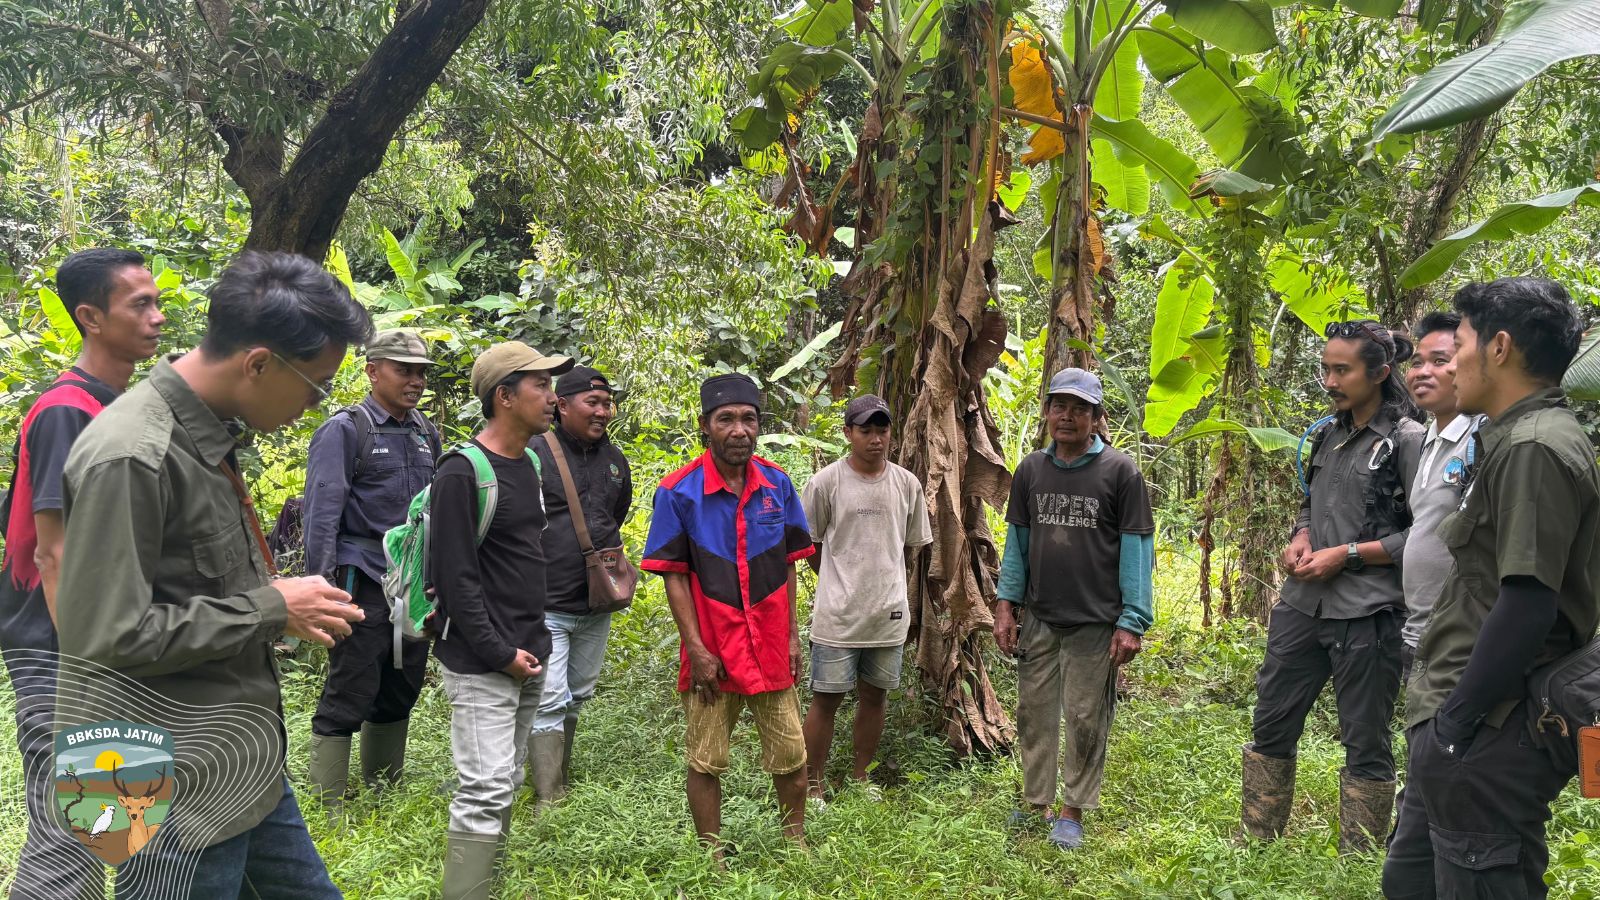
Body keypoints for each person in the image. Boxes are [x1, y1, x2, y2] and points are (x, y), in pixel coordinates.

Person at [55, 250, 372, 896]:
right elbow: (102, 637)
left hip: (238, 760)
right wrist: (271, 607)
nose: (315, 407)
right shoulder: (132, 456)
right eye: (316, 385)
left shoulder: (204, 433)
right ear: (258, 363)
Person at [1384, 279, 1597, 899]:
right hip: (1460, 715)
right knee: (1413, 878)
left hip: (1490, 724)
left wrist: (1457, 722)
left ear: (1499, 348)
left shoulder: (1534, 447)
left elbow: (1530, 602)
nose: (1451, 364)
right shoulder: (1507, 438)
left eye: (1462, 345)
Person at [0, 248, 164, 900]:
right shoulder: (69, 410)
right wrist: (88, 668)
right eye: (139, 305)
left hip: (104, 644)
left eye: (157, 302)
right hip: (61, 650)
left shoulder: (117, 406)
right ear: (91, 317)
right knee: (72, 826)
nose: (157, 317)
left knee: (117, 818)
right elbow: (54, 552)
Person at [1240, 320, 1424, 854]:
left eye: (1342, 370)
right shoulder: (1327, 434)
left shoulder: (1408, 443)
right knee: (1271, 720)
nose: (1329, 380)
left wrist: (1347, 556)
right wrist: (1302, 534)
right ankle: (1257, 838)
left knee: (1365, 737)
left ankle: (1358, 855)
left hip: (1369, 613)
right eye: (1325, 368)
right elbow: (1312, 500)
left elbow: (1431, 534)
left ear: (1381, 372)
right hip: (1301, 605)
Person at [641, 373, 815, 861]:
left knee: (791, 756)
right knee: (706, 758)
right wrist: (696, 649)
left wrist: (793, 635)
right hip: (713, 650)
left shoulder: (777, 484)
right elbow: (673, 574)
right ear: (705, 426)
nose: (739, 430)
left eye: (748, 419)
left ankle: (794, 841)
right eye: (726, 420)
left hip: (771, 644)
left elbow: (788, 562)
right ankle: (710, 854)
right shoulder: (678, 492)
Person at [992, 368, 1154, 851]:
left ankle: (1072, 810)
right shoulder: (1030, 471)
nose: (1067, 416)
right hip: (1040, 617)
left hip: (1094, 621)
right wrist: (1006, 605)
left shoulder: (1120, 473)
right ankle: (1036, 801)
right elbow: (1017, 545)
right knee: (1033, 713)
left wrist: (1132, 619)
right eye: (1059, 406)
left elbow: (1136, 551)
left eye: (1079, 408)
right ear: (1047, 412)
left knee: (1086, 716)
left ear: (1097, 417)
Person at [432, 341, 572, 899]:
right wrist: (500, 654)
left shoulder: (532, 462)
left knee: (506, 783)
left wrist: (529, 650)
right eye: (540, 385)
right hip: (481, 659)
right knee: (484, 787)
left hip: (528, 652)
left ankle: (484, 887)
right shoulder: (462, 473)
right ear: (505, 397)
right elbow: (456, 579)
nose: (552, 396)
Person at [302, 329, 441, 810]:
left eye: (421, 371)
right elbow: (321, 514)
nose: (415, 380)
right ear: (373, 370)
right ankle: (328, 801)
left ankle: (385, 792)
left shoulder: (426, 432)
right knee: (351, 685)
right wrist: (321, 590)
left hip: (414, 582)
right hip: (361, 578)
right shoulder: (346, 429)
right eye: (404, 370)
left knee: (401, 686)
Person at [799, 394, 931, 807]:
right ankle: (813, 783)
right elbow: (810, 544)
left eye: (882, 430)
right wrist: (840, 582)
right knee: (826, 699)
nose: (875, 439)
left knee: (876, 695)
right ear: (848, 434)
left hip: (888, 614)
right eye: (866, 430)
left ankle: (860, 777)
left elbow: (910, 547)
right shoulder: (826, 483)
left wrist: (882, 584)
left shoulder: (906, 484)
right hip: (837, 616)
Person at [526, 365, 632, 809]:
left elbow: (617, 512)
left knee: (577, 694)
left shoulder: (614, 461)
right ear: (562, 405)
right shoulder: (534, 452)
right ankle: (548, 797)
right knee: (548, 699)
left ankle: (559, 775)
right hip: (546, 601)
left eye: (607, 404)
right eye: (593, 402)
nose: (603, 411)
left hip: (596, 603)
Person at [1400, 312, 1476, 675]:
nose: (1422, 372)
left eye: (1440, 361)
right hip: (1419, 629)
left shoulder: (1482, 436)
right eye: (1417, 362)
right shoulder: (1426, 437)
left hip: (1461, 638)